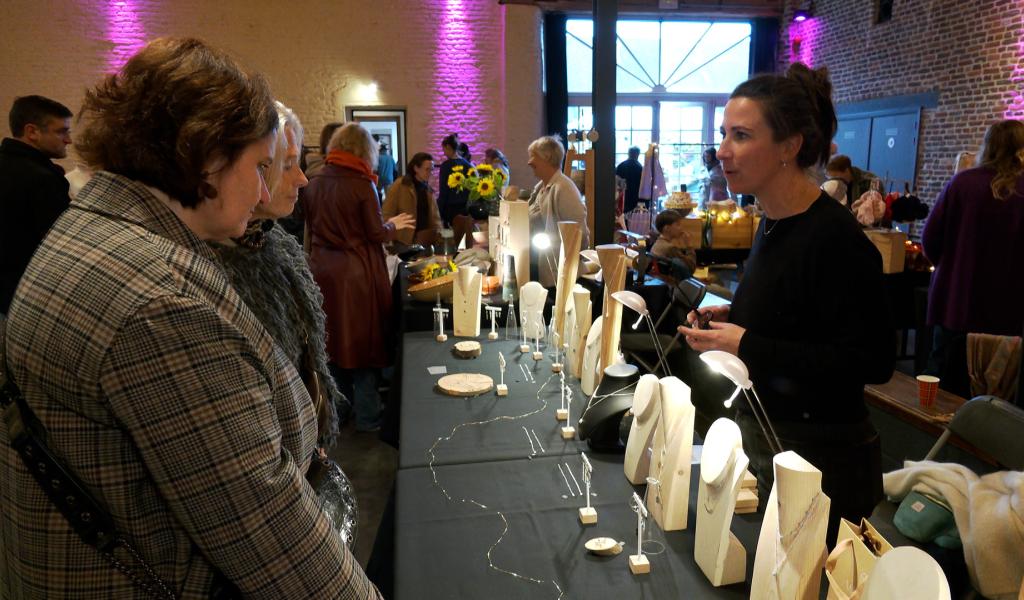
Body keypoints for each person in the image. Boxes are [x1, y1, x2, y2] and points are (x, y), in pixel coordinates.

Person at [1, 38, 380, 598]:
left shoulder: (100, 226)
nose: (261, 189)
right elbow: (265, 529)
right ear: (205, 159)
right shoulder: (158, 303)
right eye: (258, 166)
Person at [678, 63, 895, 542]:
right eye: (723, 134)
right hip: (771, 440)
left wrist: (748, 342)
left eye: (741, 135)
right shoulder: (773, 222)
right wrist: (737, 318)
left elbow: (872, 361)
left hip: (824, 462)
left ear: (789, 146)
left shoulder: (837, 239)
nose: (723, 151)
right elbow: (802, 316)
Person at [304, 122, 414, 433]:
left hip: (323, 270)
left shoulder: (313, 182)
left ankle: (339, 412)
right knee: (365, 346)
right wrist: (392, 225)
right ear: (366, 150)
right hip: (356, 274)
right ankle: (368, 418)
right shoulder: (361, 184)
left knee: (335, 344)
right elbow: (375, 233)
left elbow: (310, 228)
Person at [922, 119, 1024, 396]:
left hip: (955, 305)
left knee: (940, 388)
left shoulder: (962, 184)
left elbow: (930, 240)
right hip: (1008, 314)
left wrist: (951, 269)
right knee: (997, 396)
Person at [0, 95, 73, 315]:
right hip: (23, 297)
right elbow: (62, 245)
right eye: (62, 131)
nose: (68, 140)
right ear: (32, 132)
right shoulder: (42, 179)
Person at [527, 135, 590, 287]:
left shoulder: (564, 188)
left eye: (533, 157)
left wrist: (565, 260)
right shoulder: (541, 187)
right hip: (545, 270)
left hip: (560, 276)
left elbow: (580, 235)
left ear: (546, 158)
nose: (529, 162)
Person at [383, 152, 441, 246]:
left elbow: (435, 218)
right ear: (416, 168)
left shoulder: (428, 190)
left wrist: (440, 236)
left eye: (432, 170)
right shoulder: (400, 185)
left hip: (424, 240)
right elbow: (387, 214)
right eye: (427, 169)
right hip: (404, 240)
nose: (430, 173)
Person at [436, 133, 472, 226]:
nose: (444, 153)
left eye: (443, 149)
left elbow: (443, 190)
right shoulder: (467, 165)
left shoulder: (445, 166)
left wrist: (440, 211)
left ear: (448, 147)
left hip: (450, 209)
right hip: (465, 208)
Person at [651, 208, 697, 273]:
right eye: (678, 225)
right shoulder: (670, 248)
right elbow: (690, 268)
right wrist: (689, 247)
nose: (681, 228)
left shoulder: (658, 243)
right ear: (667, 228)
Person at [615, 146, 643, 214]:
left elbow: (616, 182)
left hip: (622, 195)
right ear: (638, 154)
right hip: (635, 196)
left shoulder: (621, 165)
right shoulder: (640, 167)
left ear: (629, 153)